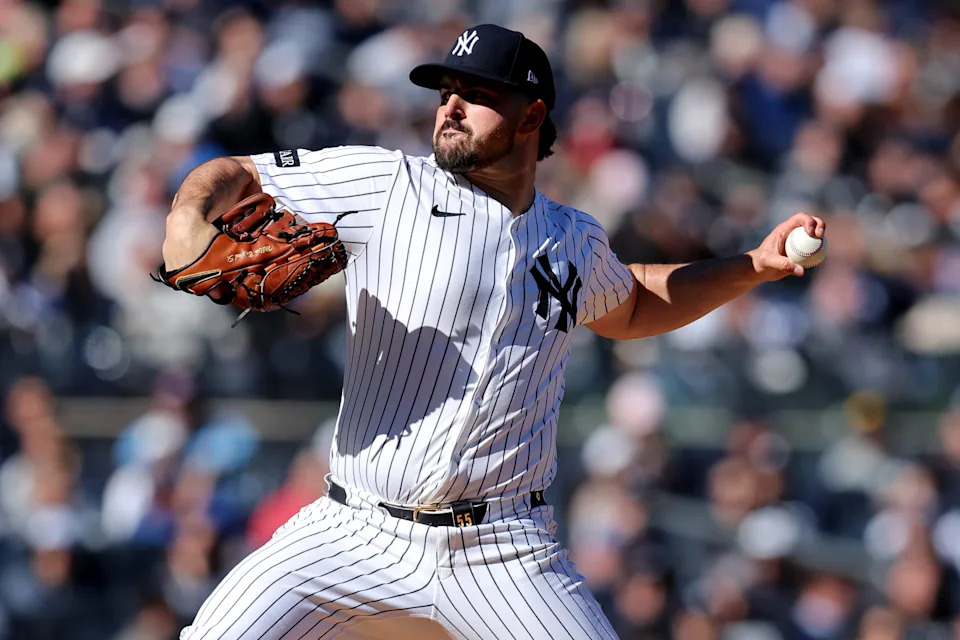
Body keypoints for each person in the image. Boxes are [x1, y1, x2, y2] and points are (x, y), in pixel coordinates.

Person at [163, 23, 825, 640]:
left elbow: (631, 304)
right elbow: (235, 172)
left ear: (531, 117)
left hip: (503, 549)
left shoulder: (573, 238)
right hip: (353, 527)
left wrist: (751, 266)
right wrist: (189, 216)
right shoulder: (386, 185)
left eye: (476, 95)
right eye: (445, 93)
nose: (450, 107)